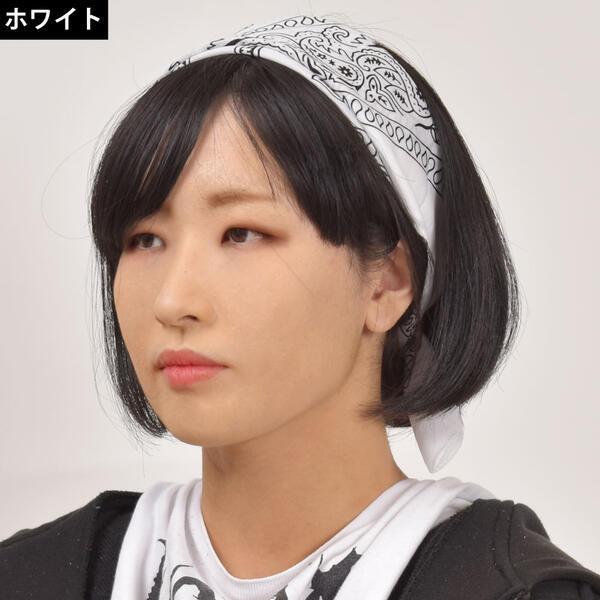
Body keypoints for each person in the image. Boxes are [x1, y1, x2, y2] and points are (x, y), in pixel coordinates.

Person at [1, 14, 599, 600]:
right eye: (145, 240)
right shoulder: (32, 575)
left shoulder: (511, 588)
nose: (172, 300)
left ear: (387, 284)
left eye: (242, 233)